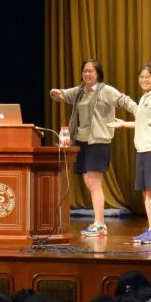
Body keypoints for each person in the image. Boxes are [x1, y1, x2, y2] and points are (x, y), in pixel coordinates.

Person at [50, 58, 131, 237]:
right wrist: (55, 92)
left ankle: (100, 224)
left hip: (99, 141)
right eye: (85, 71)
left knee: (94, 182)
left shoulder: (105, 90)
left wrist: (139, 111)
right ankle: (98, 222)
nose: (87, 74)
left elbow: (123, 100)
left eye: (91, 71)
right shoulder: (80, 91)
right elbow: (63, 94)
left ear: (98, 74)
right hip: (82, 141)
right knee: (89, 182)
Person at [108, 62, 151, 245]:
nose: (144, 80)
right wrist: (124, 124)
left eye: (148, 77)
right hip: (143, 149)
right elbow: (143, 123)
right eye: (141, 77)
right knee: (146, 193)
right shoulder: (145, 97)